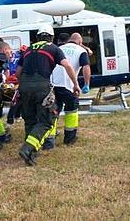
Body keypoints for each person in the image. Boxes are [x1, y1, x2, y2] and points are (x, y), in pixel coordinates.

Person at [15, 25, 81, 166]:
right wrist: (75, 84)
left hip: (24, 86)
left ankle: (31, 152)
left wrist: (23, 86)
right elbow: (68, 66)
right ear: (51, 37)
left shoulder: (28, 49)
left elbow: (17, 72)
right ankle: (27, 148)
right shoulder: (53, 48)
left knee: (30, 119)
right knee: (46, 120)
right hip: (41, 86)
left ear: (38, 36)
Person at [47, 33, 91, 148]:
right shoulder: (81, 51)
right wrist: (86, 84)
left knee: (53, 111)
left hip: (52, 85)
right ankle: (69, 139)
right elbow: (86, 67)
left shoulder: (58, 49)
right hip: (68, 86)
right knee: (71, 110)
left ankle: (50, 139)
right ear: (80, 42)